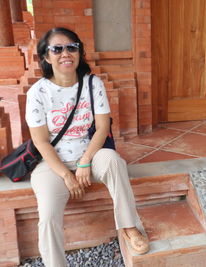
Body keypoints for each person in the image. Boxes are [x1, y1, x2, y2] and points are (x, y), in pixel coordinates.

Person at [26, 27, 149, 266]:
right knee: (48, 214)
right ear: (46, 56)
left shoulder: (93, 84)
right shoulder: (37, 93)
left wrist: (85, 162)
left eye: (72, 47)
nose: (66, 53)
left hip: (90, 155)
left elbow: (102, 128)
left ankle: (129, 227)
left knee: (114, 161)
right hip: (52, 163)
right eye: (57, 49)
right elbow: (40, 141)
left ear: (80, 52)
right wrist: (65, 174)